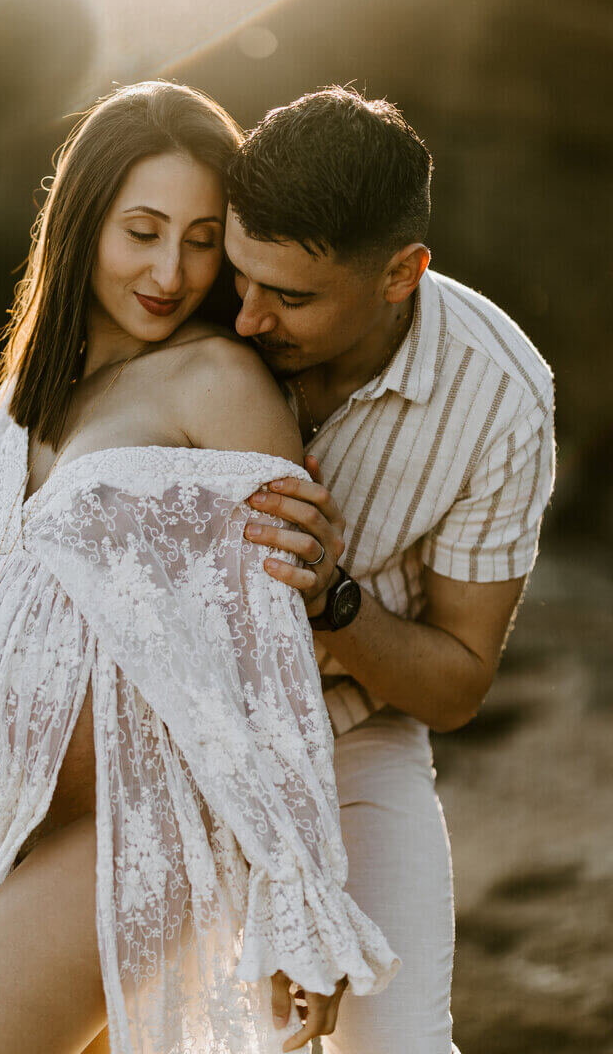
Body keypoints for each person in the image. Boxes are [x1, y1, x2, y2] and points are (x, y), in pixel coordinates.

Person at [0, 80, 397, 1054]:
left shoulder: (218, 381)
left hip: (138, 829)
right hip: (8, 834)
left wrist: (296, 896)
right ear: (82, 225)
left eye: (203, 238)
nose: (171, 270)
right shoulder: (31, 396)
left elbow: (265, 670)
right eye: (142, 230)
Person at [226, 85, 556, 1053]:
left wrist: (333, 599)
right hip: (165, 730)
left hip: (348, 743)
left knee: (398, 1043)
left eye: (288, 298)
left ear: (400, 273)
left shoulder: (498, 398)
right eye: (241, 279)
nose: (243, 320)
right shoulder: (188, 295)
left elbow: (455, 685)